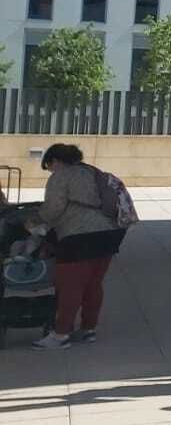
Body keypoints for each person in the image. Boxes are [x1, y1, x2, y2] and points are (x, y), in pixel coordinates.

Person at [29, 144, 127, 349]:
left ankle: (60, 334)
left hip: (79, 237)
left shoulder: (61, 176)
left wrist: (32, 220)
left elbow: (53, 209)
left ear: (55, 161)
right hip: (110, 234)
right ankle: (88, 329)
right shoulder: (93, 171)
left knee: (70, 286)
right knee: (93, 283)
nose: (50, 170)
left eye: (49, 166)